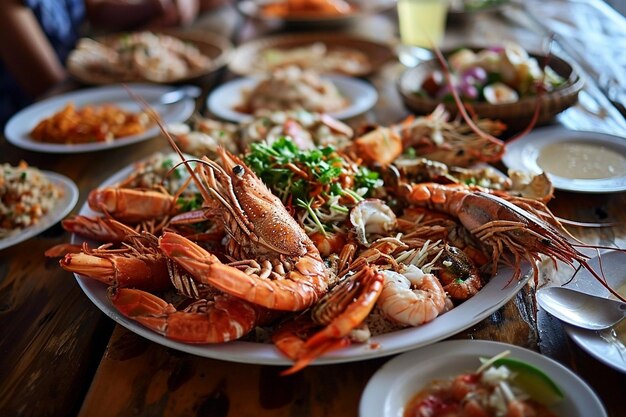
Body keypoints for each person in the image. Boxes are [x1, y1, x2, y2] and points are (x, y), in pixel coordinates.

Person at [0, 0, 205, 127]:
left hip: (82, 93)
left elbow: (94, 8)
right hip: (34, 119)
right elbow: (49, 84)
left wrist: (153, 7)